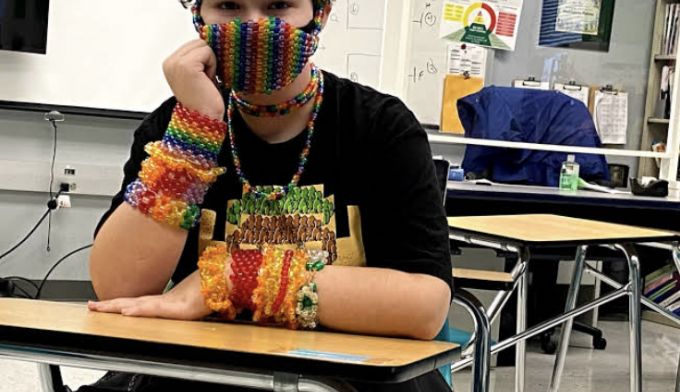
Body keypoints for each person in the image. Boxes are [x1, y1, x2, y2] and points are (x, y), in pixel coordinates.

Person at [84, 0, 453, 391]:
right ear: (199, 18)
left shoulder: (380, 127)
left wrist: (235, 278)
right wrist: (195, 132)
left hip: (351, 375)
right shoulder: (177, 125)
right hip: (207, 373)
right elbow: (119, 290)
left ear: (320, 14)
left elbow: (425, 307)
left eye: (278, 5)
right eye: (228, 6)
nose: (254, 26)